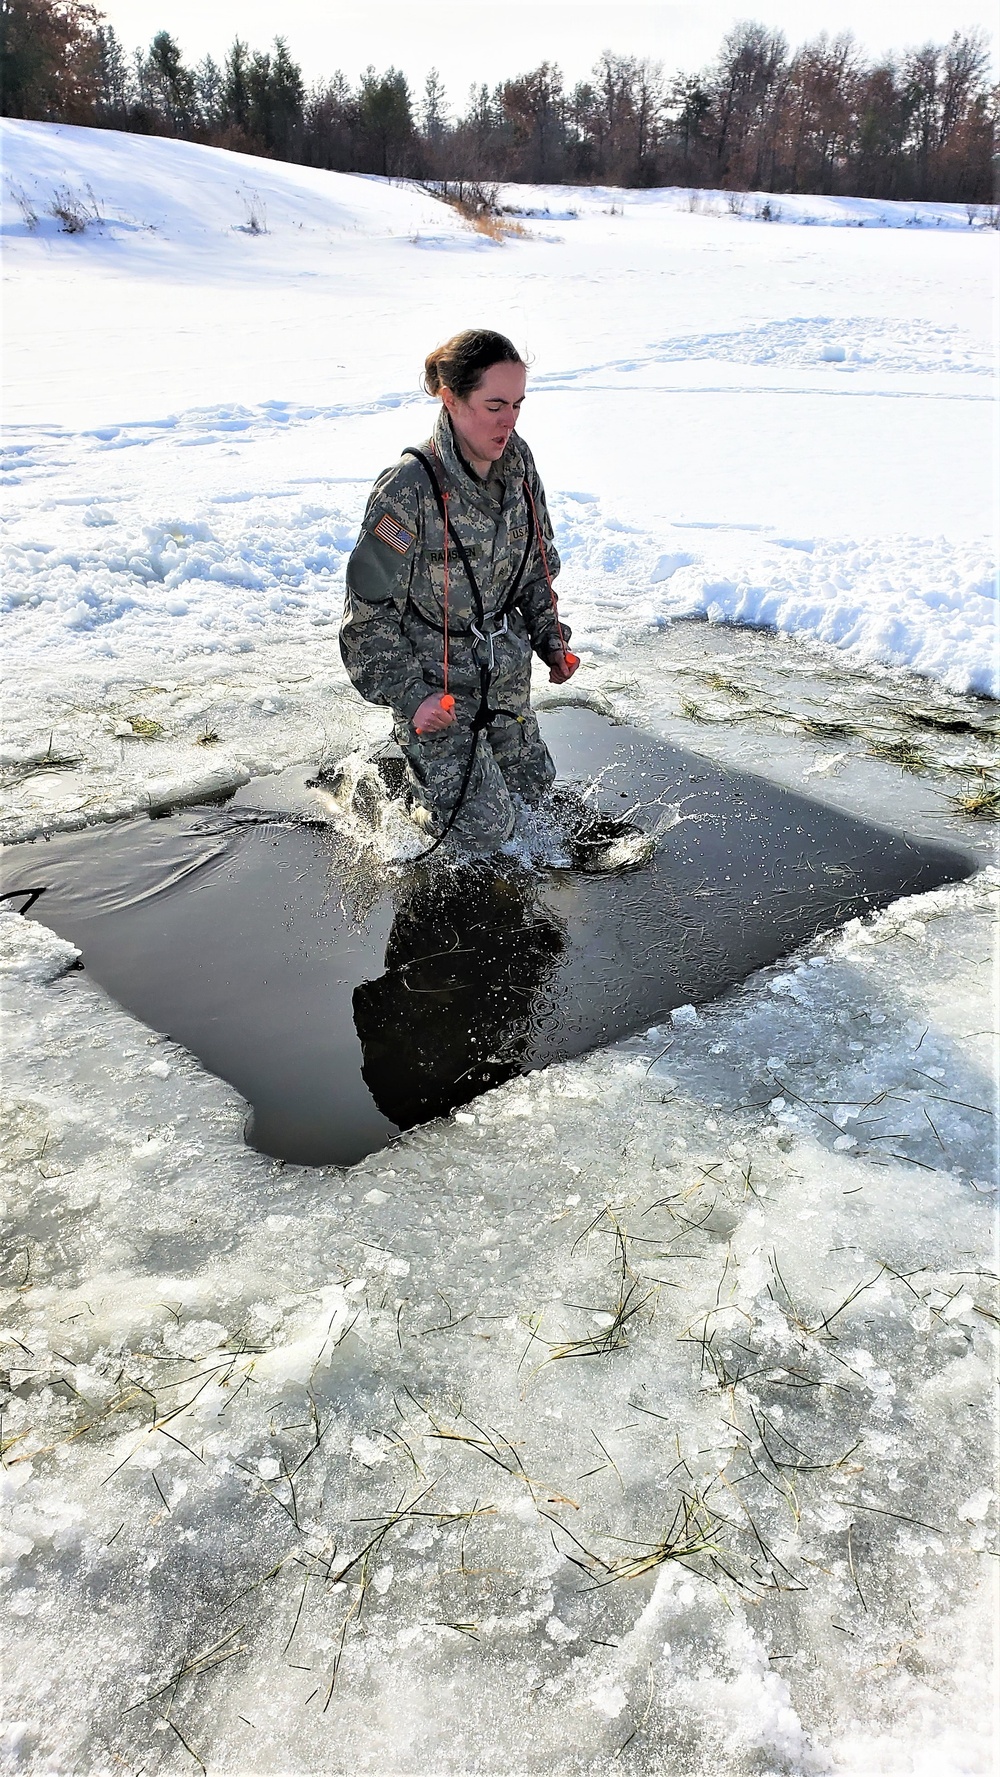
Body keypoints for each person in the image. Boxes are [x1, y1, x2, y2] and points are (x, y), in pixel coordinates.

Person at [340, 328, 578, 851]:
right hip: (437, 697)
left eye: (517, 404)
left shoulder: (519, 466)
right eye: (495, 405)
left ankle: (445, 782)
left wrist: (550, 640)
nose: (509, 420)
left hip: (504, 682)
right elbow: (367, 624)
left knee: (535, 802)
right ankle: (396, 785)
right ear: (451, 399)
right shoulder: (406, 492)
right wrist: (413, 698)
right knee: (486, 830)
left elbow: (537, 569)